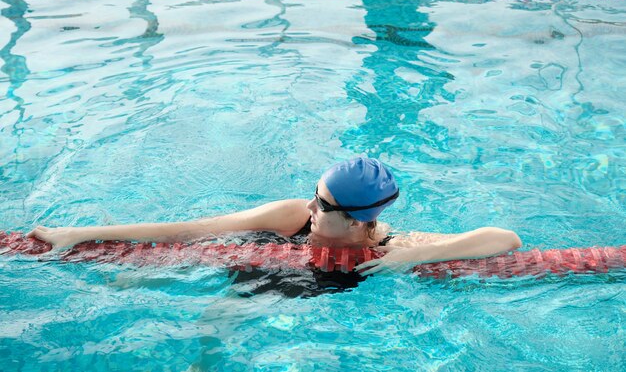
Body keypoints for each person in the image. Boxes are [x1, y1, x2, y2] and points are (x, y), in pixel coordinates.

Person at [26, 157, 522, 276]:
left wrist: (412, 259)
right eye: (314, 194)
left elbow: (506, 239)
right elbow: (191, 229)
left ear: (357, 221)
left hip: (334, 285)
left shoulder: (392, 246)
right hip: (262, 269)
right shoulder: (291, 218)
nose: (310, 205)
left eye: (322, 204)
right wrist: (78, 234)